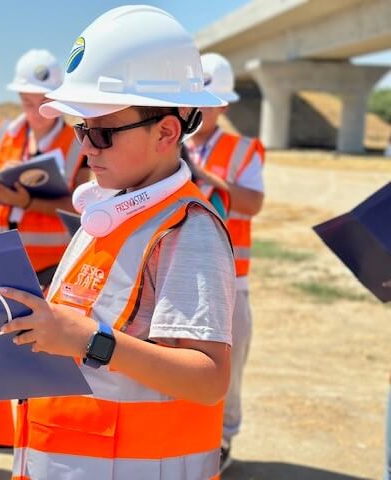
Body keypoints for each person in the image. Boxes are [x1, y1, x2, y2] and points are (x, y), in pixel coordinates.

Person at [0, 6, 236, 479]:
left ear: (167, 131)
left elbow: (210, 379)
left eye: (102, 133)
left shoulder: (187, 230)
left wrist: (92, 342)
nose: (86, 147)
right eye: (80, 130)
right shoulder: (107, 212)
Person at [184, 52, 265, 472]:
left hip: (232, 278)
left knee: (227, 367)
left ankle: (224, 438)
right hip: (178, 268)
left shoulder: (244, 149)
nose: (199, 107)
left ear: (224, 106)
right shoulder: (167, 139)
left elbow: (253, 203)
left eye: (209, 100)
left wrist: (208, 179)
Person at [0, 48, 91, 288]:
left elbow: (80, 208)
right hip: (1, 257)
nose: (36, 113)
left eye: (44, 103)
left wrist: (28, 203)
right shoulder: (2, 133)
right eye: (27, 103)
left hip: (51, 266)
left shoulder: (78, 143)